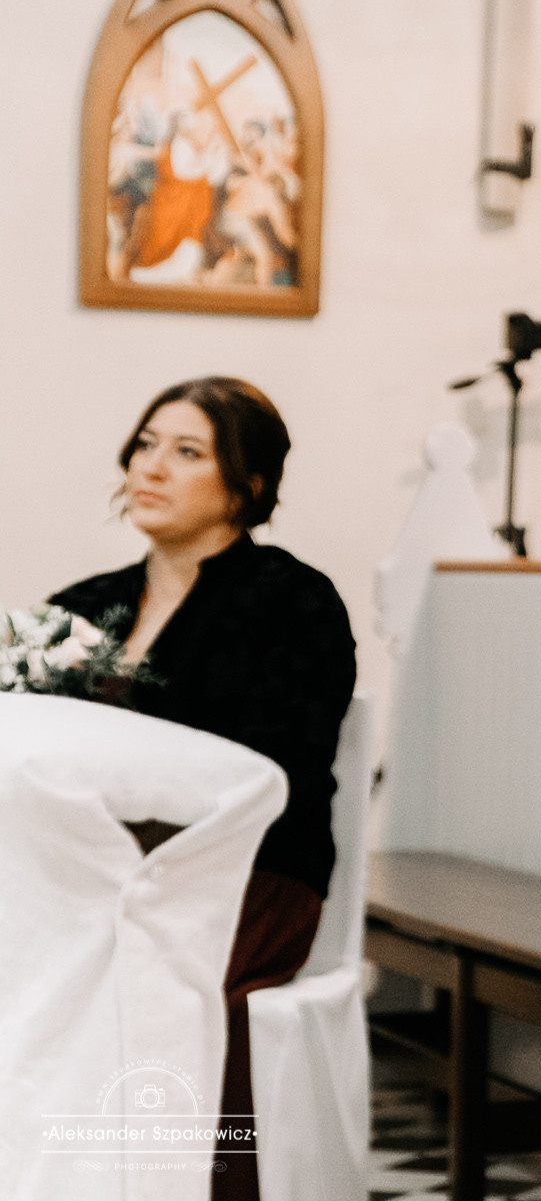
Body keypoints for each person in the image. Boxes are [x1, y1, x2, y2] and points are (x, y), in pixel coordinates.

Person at [48, 378, 357, 1201]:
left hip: (248, 876)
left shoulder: (293, 602)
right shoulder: (84, 608)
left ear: (246, 484)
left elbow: (278, 771)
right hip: (96, 877)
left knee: (156, 985)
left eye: (187, 452)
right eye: (146, 444)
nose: (152, 467)